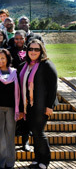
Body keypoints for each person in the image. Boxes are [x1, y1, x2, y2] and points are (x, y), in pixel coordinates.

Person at [18, 39, 58, 169]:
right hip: (28, 106)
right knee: (34, 133)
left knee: (39, 132)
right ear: (27, 51)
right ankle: (37, 159)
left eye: (36, 49)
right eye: (31, 49)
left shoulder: (46, 64)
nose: (33, 52)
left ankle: (44, 161)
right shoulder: (24, 65)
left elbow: (53, 87)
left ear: (41, 51)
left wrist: (49, 106)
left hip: (42, 106)